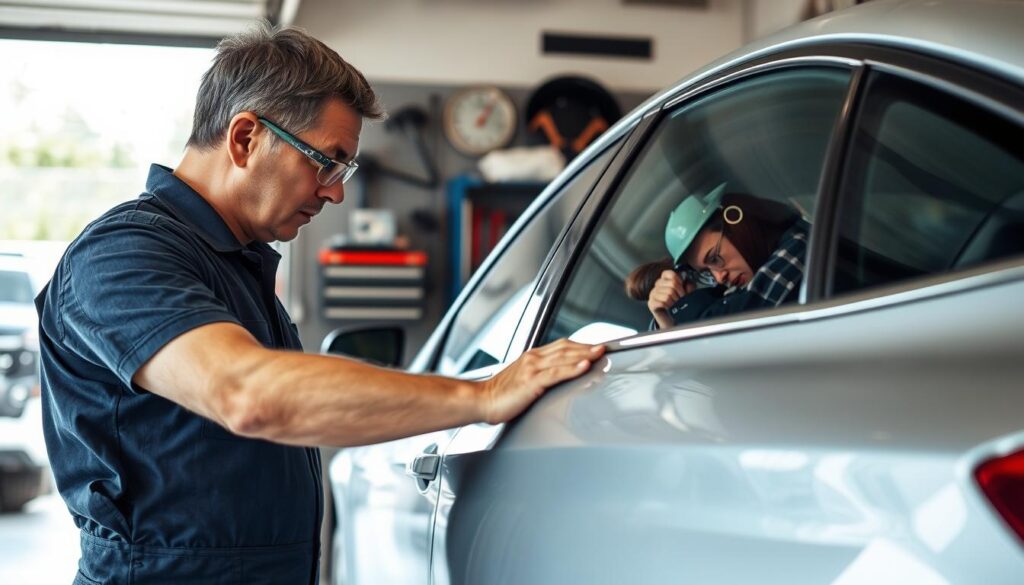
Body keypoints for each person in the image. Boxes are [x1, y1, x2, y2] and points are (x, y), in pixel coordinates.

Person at [34, 23, 604, 585]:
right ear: (244, 139)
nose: (335, 190)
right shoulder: (122, 255)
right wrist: (484, 394)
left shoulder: (239, 263)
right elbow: (249, 394)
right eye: (325, 161)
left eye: (345, 169)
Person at [625, 183, 809, 330]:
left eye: (714, 258)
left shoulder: (800, 246)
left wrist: (681, 308)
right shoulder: (736, 292)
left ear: (737, 222)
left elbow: (734, 323)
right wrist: (665, 319)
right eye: (707, 272)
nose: (719, 278)